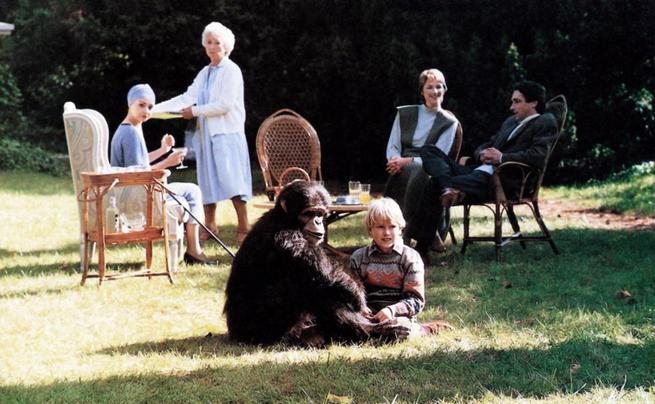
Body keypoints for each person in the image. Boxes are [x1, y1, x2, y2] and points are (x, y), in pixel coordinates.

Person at [409, 80, 558, 263]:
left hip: (501, 181)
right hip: (477, 172)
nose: (512, 107)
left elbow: (538, 156)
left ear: (534, 103)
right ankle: (447, 187)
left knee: (433, 185)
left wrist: (501, 158)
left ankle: (421, 249)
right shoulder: (511, 122)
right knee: (428, 150)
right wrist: (482, 154)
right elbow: (487, 144)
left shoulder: (545, 121)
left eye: (517, 101)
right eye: (512, 101)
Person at [152, 21, 252, 243]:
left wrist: (194, 111)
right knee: (206, 180)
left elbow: (225, 104)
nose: (213, 46)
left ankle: (244, 227)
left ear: (226, 46)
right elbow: (187, 98)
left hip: (227, 133)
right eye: (209, 42)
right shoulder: (205, 73)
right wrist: (153, 109)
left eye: (217, 42)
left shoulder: (232, 71)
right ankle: (211, 226)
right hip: (206, 135)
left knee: (232, 180)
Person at [110, 83, 212, 265]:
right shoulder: (130, 133)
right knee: (192, 192)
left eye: (150, 107)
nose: (146, 111)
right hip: (138, 196)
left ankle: (193, 250)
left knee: (192, 190)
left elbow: (139, 162)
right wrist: (168, 162)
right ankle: (194, 251)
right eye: (141, 105)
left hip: (134, 191)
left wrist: (162, 150)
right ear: (129, 104)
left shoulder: (128, 128)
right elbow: (139, 174)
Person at [350, 198, 454, 338]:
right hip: (367, 314)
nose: (386, 232)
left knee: (400, 329)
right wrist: (360, 308)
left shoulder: (410, 258)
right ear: (370, 229)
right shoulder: (359, 257)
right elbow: (351, 293)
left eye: (392, 227)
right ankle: (373, 332)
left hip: (397, 315)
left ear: (400, 229)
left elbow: (416, 301)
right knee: (344, 324)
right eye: (380, 227)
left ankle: (423, 330)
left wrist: (391, 310)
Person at [384, 68, 460, 252]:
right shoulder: (405, 114)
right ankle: (428, 234)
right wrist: (395, 161)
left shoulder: (449, 122)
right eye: (430, 87)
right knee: (415, 173)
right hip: (401, 165)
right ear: (422, 91)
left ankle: (407, 231)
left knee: (421, 172)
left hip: (430, 167)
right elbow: (393, 144)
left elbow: (438, 155)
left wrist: (407, 162)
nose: (435, 92)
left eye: (439, 87)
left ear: (445, 89)